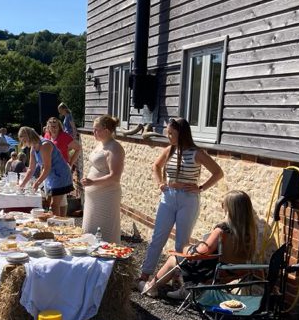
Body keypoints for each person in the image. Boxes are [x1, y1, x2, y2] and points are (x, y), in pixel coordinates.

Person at [137, 117, 224, 291]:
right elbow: (156, 166)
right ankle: (144, 275)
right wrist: (160, 183)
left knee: (181, 242)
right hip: (168, 197)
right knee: (157, 237)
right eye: (167, 133)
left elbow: (218, 172)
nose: (168, 136)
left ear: (181, 133)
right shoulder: (170, 150)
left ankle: (176, 280)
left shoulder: (196, 152)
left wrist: (200, 188)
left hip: (188, 200)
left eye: (171, 133)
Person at [142, 190, 257, 298]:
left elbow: (201, 253)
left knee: (175, 258)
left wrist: (186, 248)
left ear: (230, 210)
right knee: (189, 260)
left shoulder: (222, 230)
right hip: (235, 272)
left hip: (215, 274)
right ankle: (185, 290)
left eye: (223, 205)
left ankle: (151, 287)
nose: (222, 207)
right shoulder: (251, 231)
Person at [81, 115, 125, 244]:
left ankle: (108, 259)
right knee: (90, 228)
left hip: (106, 195)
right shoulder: (100, 144)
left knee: (104, 229)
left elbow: (115, 176)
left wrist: (92, 182)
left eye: (96, 129)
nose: (93, 132)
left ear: (106, 131)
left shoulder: (115, 148)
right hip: (93, 196)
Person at [17, 126, 74, 216]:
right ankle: (62, 222)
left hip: (60, 175)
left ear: (29, 137)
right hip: (51, 176)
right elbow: (31, 169)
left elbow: (47, 168)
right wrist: (22, 184)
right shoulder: (33, 148)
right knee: (56, 203)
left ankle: (57, 226)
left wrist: (37, 183)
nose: (23, 143)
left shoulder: (45, 145)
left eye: (24, 141)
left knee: (54, 204)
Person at [44, 117, 82, 216]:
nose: (53, 128)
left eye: (55, 126)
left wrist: (70, 163)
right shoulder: (47, 136)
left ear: (59, 126)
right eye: (51, 126)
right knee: (60, 199)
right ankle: (62, 220)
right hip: (51, 171)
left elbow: (78, 148)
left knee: (55, 202)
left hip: (62, 171)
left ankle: (58, 221)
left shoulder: (64, 136)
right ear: (48, 126)